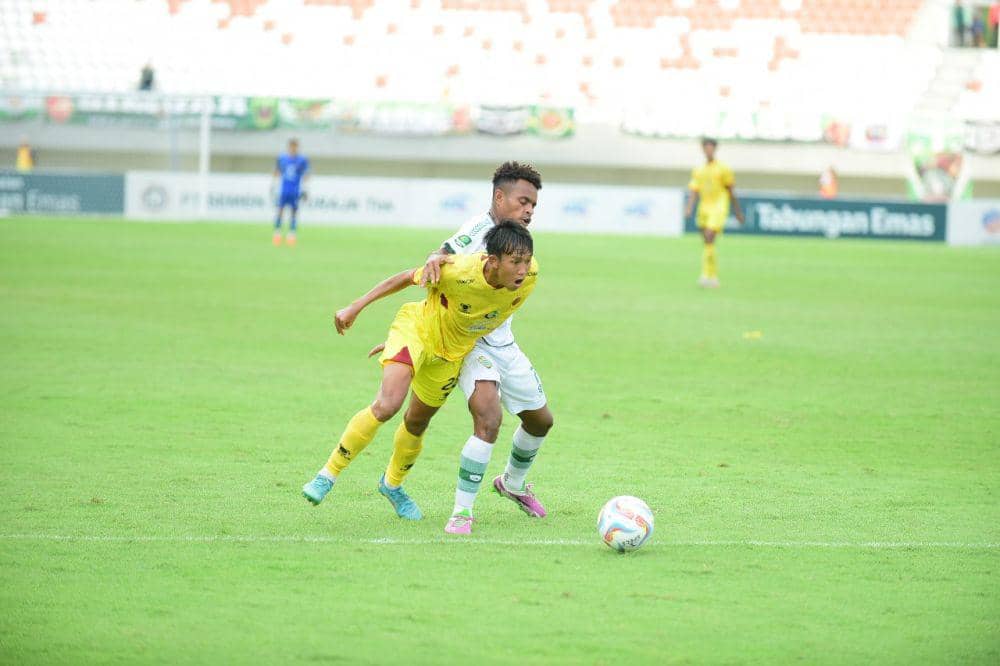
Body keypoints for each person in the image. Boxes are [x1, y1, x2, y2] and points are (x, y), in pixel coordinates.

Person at [301, 221, 539, 520]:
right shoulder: (457, 271)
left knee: (416, 422)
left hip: (450, 356)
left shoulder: (529, 276)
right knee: (388, 404)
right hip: (416, 331)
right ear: (493, 261)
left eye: (526, 261)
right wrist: (355, 307)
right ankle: (327, 474)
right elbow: (406, 277)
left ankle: (392, 485)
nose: (522, 269)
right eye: (515, 262)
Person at [414, 162, 553, 535]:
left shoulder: (519, 244)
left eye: (534, 205)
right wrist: (433, 257)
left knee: (541, 421)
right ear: (499, 197)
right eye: (523, 201)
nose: (529, 210)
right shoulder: (480, 229)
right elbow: (444, 250)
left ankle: (512, 483)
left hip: (503, 341)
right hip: (471, 342)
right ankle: (462, 512)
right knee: (488, 419)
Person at [684, 138, 744, 288]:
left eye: (711, 147)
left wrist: (737, 211)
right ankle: (711, 276)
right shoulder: (698, 170)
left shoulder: (723, 169)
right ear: (703, 149)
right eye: (706, 148)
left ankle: (707, 275)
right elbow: (694, 191)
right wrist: (689, 207)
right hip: (704, 206)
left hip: (719, 206)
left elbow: (730, 190)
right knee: (707, 242)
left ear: (715, 149)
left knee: (710, 236)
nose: (708, 150)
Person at [272, 138, 309, 246]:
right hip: (284, 190)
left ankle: (291, 235)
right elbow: (277, 171)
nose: (293, 148)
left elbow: (306, 174)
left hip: (295, 190)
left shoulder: (302, 160)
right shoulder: (282, 158)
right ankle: (277, 233)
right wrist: (273, 185)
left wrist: (305, 189)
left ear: (297, 147)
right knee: (280, 210)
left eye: (295, 146)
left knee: (294, 212)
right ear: (288, 147)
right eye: (291, 146)